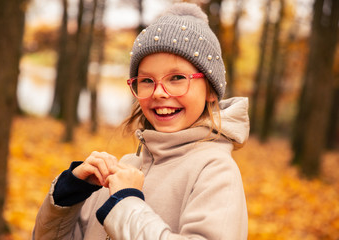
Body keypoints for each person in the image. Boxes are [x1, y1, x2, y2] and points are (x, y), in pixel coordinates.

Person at [32, 2, 249, 239]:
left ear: (210, 90)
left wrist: (126, 203)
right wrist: (68, 194)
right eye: (146, 80)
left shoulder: (216, 171)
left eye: (176, 77)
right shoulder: (126, 168)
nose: (158, 92)